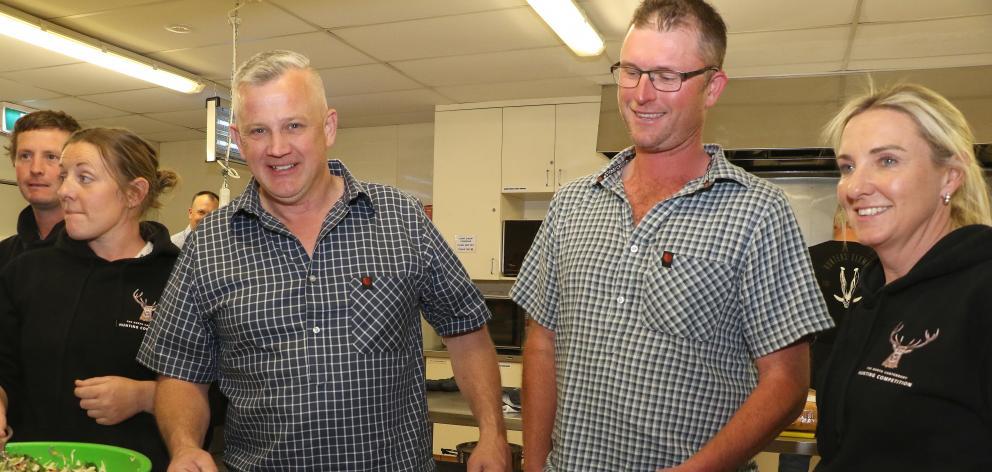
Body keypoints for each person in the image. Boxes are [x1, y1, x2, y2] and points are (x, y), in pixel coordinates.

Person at [137, 50, 509, 472]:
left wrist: (493, 434)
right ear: (239, 142)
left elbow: (466, 333)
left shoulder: (401, 218)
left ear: (328, 127)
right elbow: (181, 373)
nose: (278, 149)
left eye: (294, 125)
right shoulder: (209, 245)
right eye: (259, 131)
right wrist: (186, 446)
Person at [510, 1, 833, 470]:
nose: (641, 93)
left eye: (666, 75)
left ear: (712, 87)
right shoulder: (571, 204)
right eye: (632, 70)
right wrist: (535, 465)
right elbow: (542, 343)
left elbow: (785, 381)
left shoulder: (758, 212)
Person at [814, 84, 992, 471]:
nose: (856, 187)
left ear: (950, 177)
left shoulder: (981, 291)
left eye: (888, 161)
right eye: (848, 166)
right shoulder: (872, 297)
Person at [0, 127, 179, 470]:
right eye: (65, 176)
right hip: (35, 462)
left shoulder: (177, 277)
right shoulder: (26, 271)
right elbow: (4, 363)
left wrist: (146, 397)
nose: (64, 190)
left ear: (133, 193)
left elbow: (223, 389)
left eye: (84, 178)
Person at [778, 208, 876, 472]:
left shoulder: (807, 256)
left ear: (836, 220)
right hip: (862, 363)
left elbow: (791, 313)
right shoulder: (881, 260)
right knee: (849, 442)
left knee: (797, 441)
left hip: (812, 361)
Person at [0, 110, 81, 268]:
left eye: (51, 157)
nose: (36, 169)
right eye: (25, 156)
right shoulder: (5, 255)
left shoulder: (102, 253)